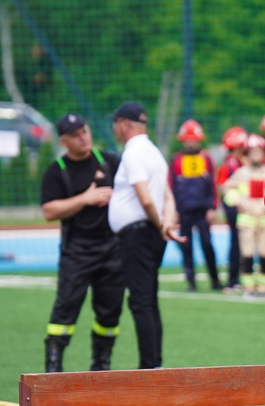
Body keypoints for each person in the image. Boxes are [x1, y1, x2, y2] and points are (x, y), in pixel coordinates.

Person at [40, 113, 123, 372]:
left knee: (110, 311)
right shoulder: (56, 171)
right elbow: (49, 211)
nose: (83, 137)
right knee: (66, 307)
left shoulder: (110, 162)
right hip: (77, 250)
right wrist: (84, 199)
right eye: (75, 135)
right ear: (64, 141)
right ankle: (54, 365)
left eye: (84, 131)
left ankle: (101, 363)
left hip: (112, 248)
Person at [108, 101, 184, 369]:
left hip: (138, 234)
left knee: (140, 301)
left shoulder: (132, 153)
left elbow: (146, 197)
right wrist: (166, 223)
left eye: (115, 123)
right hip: (151, 233)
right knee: (149, 300)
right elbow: (167, 194)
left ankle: (150, 366)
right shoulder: (154, 152)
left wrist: (159, 222)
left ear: (125, 124)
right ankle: (154, 363)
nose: (114, 128)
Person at [221, 134, 265, 296]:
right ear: (247, 153)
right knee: (246, 255)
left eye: (259, 152)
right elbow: (226, 188)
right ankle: (248, 287)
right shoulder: (241, 173)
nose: (256, 155)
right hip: (247, 221)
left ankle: (264, 287)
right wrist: (237, 202)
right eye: (252, 152)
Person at [170, 119, 222, 292]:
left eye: (193, 139)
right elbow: (171, 186)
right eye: (188, 139)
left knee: (207, 244)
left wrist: (212, 207)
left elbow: (212, 185)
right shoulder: (176, 160)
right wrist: (174, 210)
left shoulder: (206, 158)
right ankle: (191, 282)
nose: (190, 142)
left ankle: (214, 279)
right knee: (187, 246)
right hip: (184, 209)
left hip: (202, 209)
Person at [216, 126, 248, 292]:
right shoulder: (231, 164)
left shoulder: (236, 162)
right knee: (237, 242)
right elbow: (224, 187)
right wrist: (237, 203)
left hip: (237, 207)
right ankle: (233, 279)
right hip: (236, 208)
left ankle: (236, 278)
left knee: (240, 242)